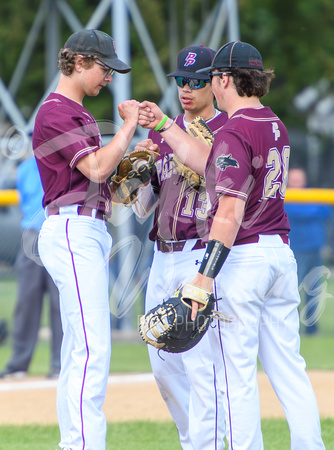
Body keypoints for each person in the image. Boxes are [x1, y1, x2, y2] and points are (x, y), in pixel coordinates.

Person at [139, 41, 325, 449]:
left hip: (243, 261)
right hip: (280, 253)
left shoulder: (236, 129)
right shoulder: (273, 123)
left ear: (224, 79)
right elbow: (208, 161)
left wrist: (203, 277)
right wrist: (168, 127)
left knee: (233, 376)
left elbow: (228, 213)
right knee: (289, 369)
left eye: (213, 79)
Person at [32, 29, 139, 450]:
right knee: (92, 347)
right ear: (79, 62)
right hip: (71, 230)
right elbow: (95, 168)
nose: (109, 78)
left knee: (84, 346)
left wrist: (133, 176)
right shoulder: (56, 111)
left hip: (87, 226)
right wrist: (128, 126)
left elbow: (105, 184)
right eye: (104, 68)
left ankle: (75, 443)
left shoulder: (80, 114)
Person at [134, 45, 228, 449]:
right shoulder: (162, 131)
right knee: (162, 363)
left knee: (200, 365)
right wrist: (137, 170)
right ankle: (196, 443)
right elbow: (141, 209)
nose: (186, 89)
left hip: (199, 253)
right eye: (181, 82)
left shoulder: (228, 129)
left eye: (196, 82)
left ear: (215, 83)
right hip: (162, 254)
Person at [0, 155, 62, 380]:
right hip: (32, 234)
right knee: (26, 302)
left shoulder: (62, 160)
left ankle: (59, 364)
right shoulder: (26, 167)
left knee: (59, 303)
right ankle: (18, 363)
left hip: (57, 233)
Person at [285, 167, 331, 335]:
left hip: (315, 248)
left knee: (314, 291)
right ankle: (291, 327)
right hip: (295, 250)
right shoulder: (284, 196)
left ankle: (312, 329)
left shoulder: (313, 194)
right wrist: (315, 210)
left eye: (299, 179)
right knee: (292, 291)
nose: (296, 183)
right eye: (293, 180)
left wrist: (315, 210)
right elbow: (298, 212)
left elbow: (327, 211)